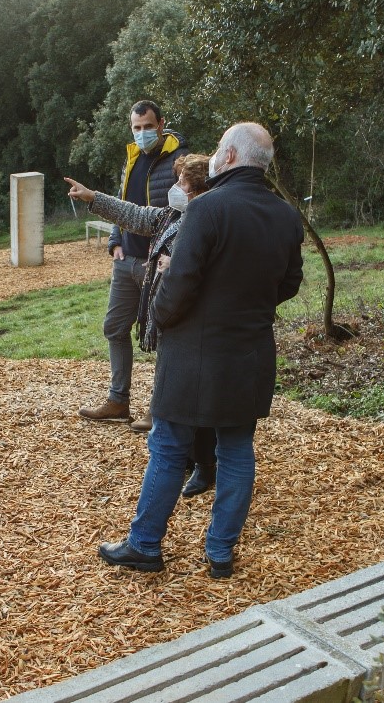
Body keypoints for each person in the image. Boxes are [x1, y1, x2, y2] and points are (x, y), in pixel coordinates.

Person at [97, 122, 304, 578]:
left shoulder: (207, 209)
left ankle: (145, 545)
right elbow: (289, 282)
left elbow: (179, 285)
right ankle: (220, 553)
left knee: (169, 445)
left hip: (193, 351)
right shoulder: (286, 215)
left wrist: (163, 319)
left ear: (228, 157)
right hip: (250, 352)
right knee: (236, 449)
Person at [65, 153, 218, 495]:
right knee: (181, 391)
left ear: (199, 191)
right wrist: (94, 198)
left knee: (186, 393)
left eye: (182, 183)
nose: (175, 188)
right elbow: (134, 214)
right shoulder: (171, 217)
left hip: (189, 321)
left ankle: (198, 464)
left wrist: (172, 264)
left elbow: (205, 268)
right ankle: (193, 461)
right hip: (170, 316)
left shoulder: (204, 222)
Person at [77, 100, 188, 431]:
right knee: (114, 327)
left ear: (161, 123)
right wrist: (114, 242)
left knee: (162, 334)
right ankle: (118, 401)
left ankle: (159, 407)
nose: (142, 134)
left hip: (159, 262)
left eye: (147, 127)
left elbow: (184, 209)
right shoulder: (132, 158)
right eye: (136, 128)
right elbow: (124, 204)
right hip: (126, 259)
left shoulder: (179, 160)